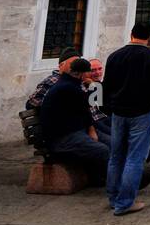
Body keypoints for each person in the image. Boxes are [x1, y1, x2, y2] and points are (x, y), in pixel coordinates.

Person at [103, 23, 150, 216]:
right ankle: (124, 203)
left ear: (131, 34)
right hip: (142, 112)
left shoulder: (114, 57)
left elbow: (107, 86)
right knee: (135, 158)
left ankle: (114, 198)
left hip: (119, 113)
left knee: (116, 156)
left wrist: (109, 107)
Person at [88, 57, 150, 173]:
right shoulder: (92, 87)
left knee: (149, 118)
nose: (97, 72)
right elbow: (102, 110)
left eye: (99, 69)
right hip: (108, 120)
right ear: (87, 72)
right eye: (93, 70)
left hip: (118, 115)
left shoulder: (103, 84)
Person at [38, 58, 109, 186]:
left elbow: (92, 105)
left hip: (76, 130)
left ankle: (102, 178)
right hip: (62, 139)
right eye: (89, 72)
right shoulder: (68, 87)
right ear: (82, 74)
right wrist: (92, 131)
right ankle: (119, 182)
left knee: (112, 142)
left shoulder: (70, 84)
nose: (91, 74)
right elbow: (87, 108)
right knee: (103, 150)